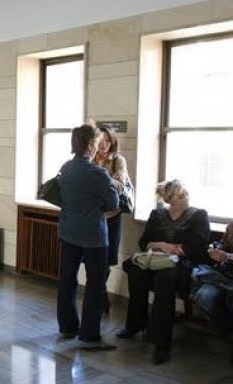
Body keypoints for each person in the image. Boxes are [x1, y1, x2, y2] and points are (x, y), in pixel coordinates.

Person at [118, 180, 209, 365]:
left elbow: (199, 246)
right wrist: (162, 245)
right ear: (170, 201)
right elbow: (144, 242)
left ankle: (161, 343)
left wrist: (176, 251)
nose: (185, 199)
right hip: (155, 260)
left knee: (165, 279)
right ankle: (135, 324)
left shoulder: (199, 215)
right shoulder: (157, 214)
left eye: (185, 194)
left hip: (181, 264)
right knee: (136, 271)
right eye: (180, 196)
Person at [57, 124, 119, 351]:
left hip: (68, 230)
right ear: (91, 145)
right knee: (95, 284)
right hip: (94, 235)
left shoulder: (66, 168)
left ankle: (67, 326)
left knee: (67, 279)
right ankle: (89, 335)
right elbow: (114, 203)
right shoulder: (97, 173)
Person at [93, 125, 133, 312]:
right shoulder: (89, 159)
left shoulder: (118, 160)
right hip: (92, 217)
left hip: (112, 217)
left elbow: (121, 185)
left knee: (107, 259)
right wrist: (108, 181)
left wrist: (99, 182)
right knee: (92, 258)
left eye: (108, 141)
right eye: (101, 141)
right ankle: (99, 294)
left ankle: (99, 293)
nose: (104, 145)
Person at [191, 222, 233, 336]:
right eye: (226, 231)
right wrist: (212, 249)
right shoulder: (226, 239)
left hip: (223, 280)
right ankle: (224, 329)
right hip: (219, 278)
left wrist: (227, 257)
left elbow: (226, 256)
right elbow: (217, 244)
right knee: (204, 296)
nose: (226, 235)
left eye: (229, 233)